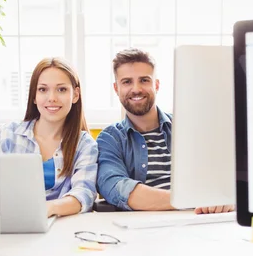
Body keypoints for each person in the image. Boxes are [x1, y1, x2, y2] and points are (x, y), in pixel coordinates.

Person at [96, 48, 235, 214]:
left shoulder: (189, 127)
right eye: (127, 82)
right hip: (144, 226)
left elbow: (220, 174)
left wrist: (222, 197)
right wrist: (193, 200)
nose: (136, 89)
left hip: (199, 218)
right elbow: (115, 187)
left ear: (156, 85)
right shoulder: (110, 138)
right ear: (116, 88)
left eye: (144, 80)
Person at [0, 57, 98, 217]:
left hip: (62, 228)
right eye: (43, 89)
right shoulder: (7, 135)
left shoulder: (85, 145)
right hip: (10, 223)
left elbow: (83, 194)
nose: (52, 98)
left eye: (62, 89)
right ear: (34, 96)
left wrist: (47, 209)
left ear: (75, 95)